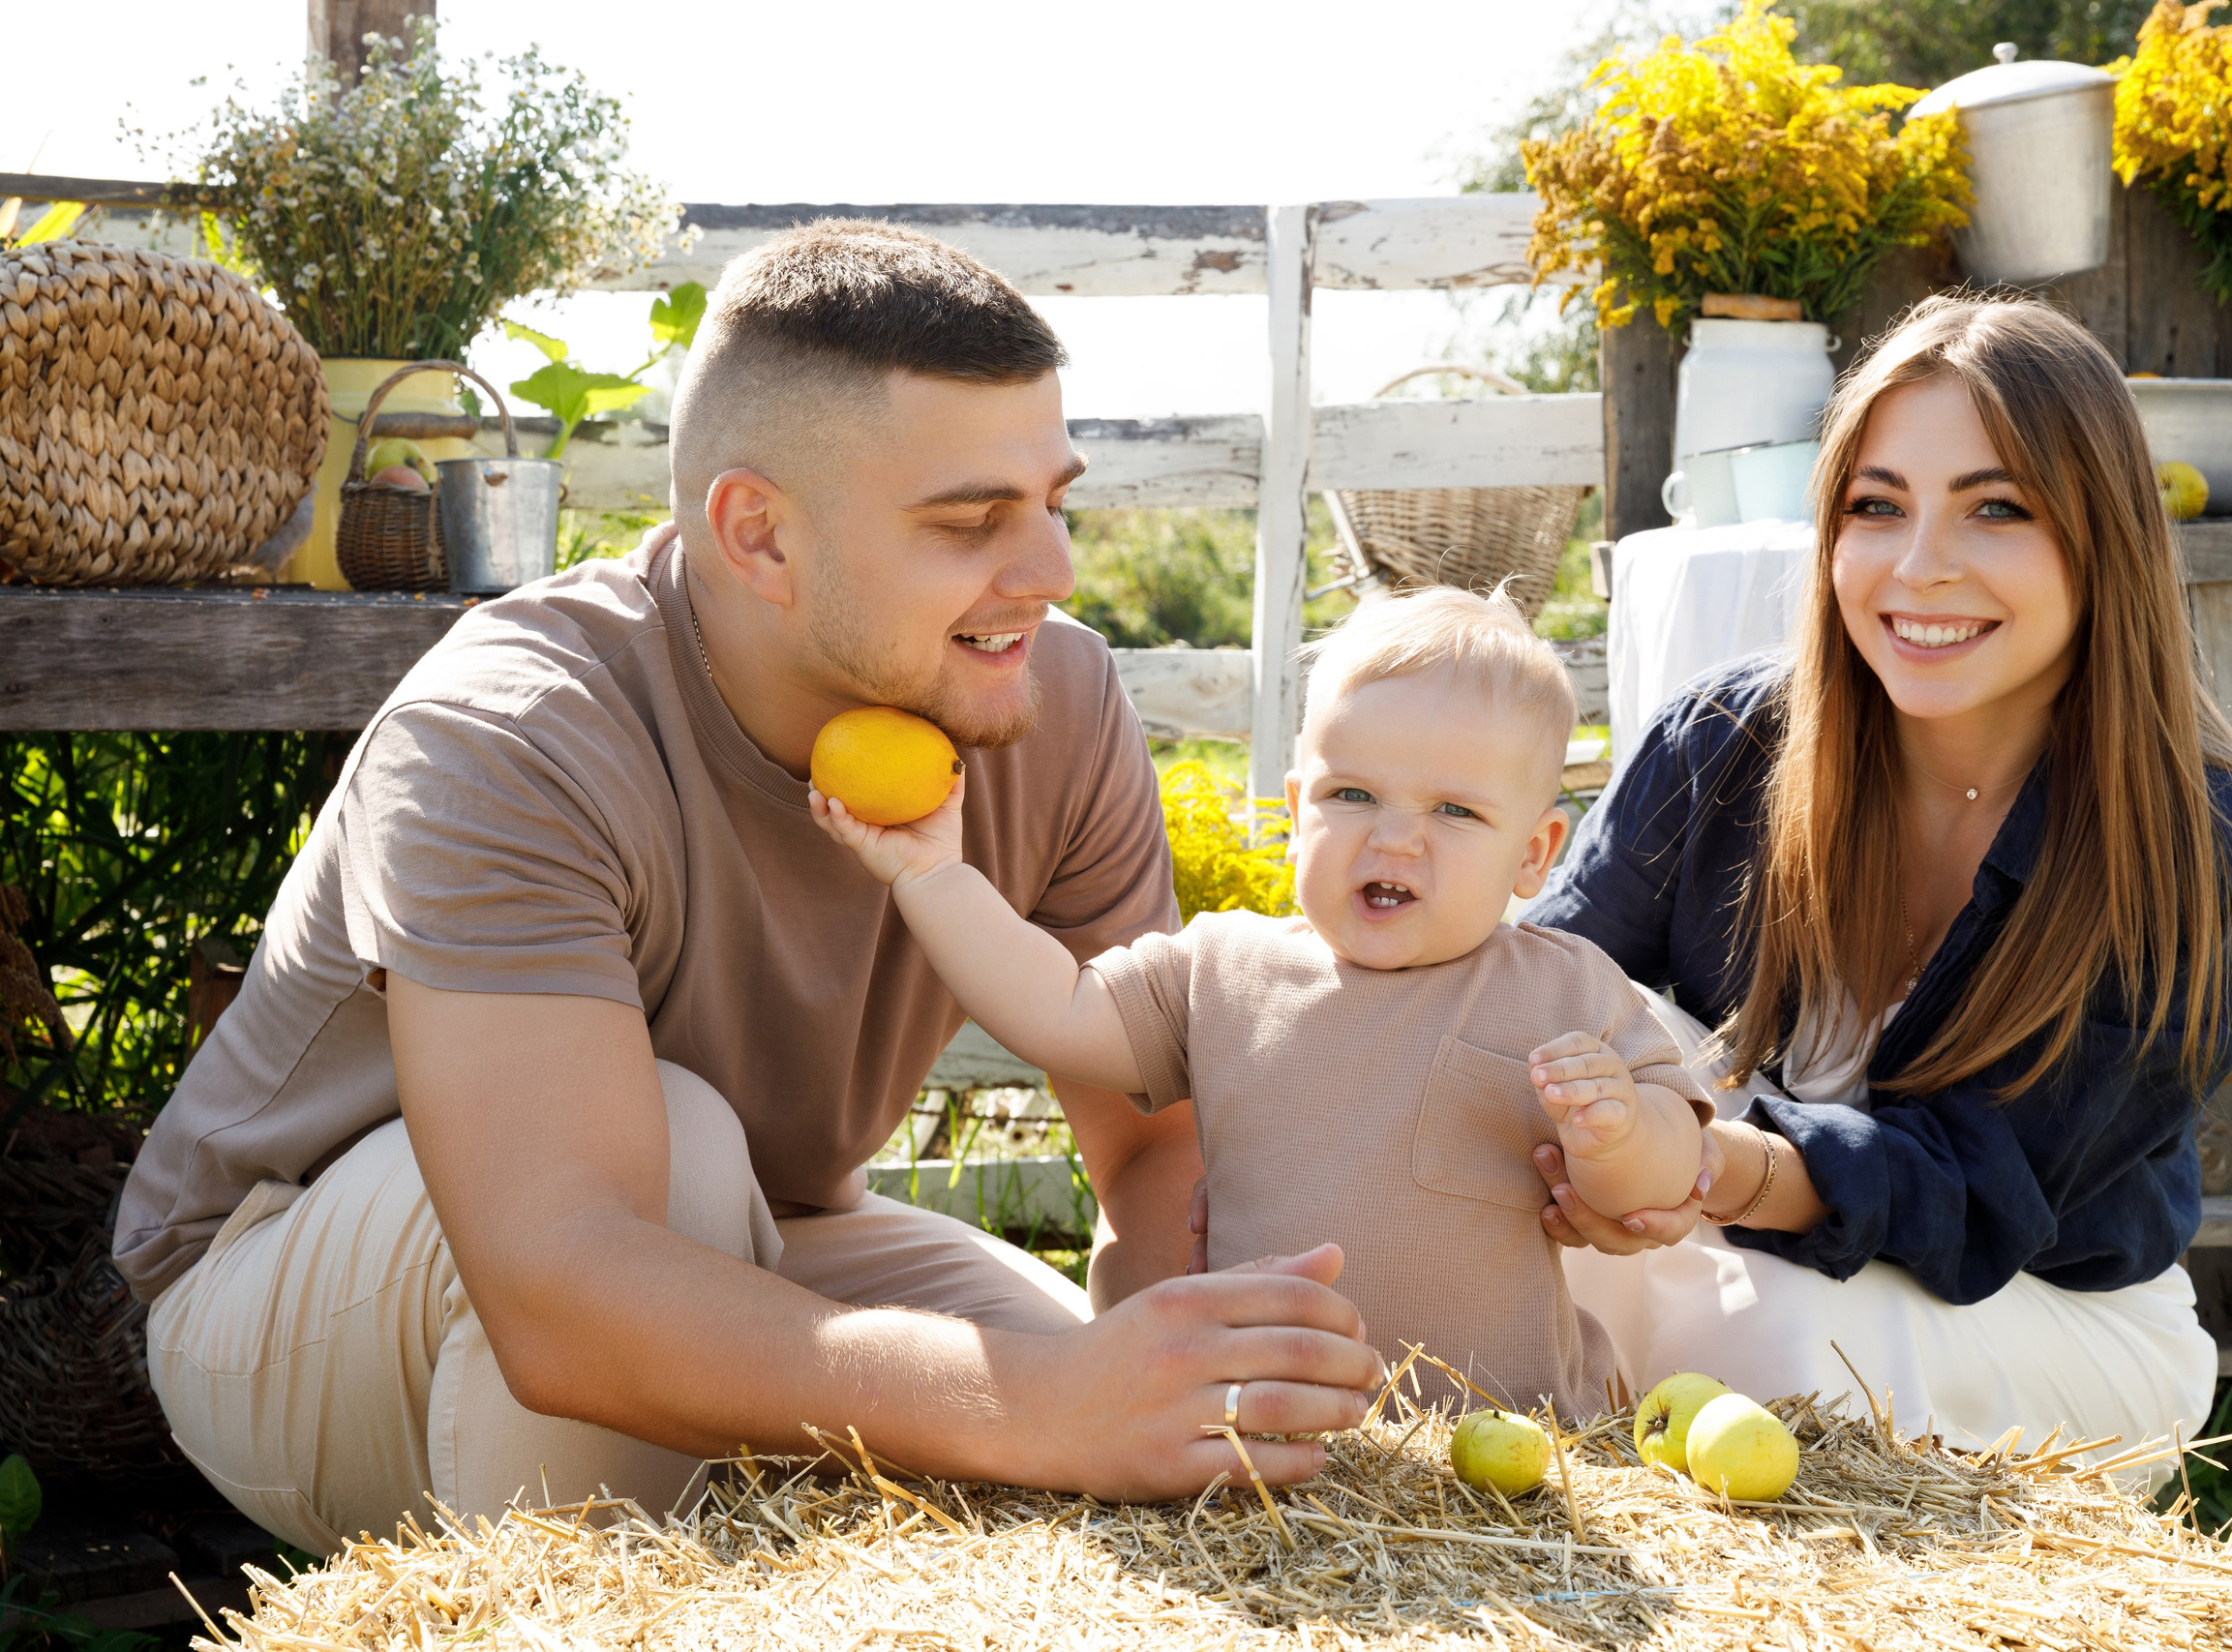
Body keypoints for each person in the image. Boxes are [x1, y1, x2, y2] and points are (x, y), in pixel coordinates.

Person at [111, 220, 1384, 1553]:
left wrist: (1174, 1348)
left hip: (773, 1235)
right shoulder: (510, 730)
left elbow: (1151, 1131)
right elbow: (562, 1290)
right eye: (972, 521)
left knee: (1145, 1397)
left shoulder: (1047, 696)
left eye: (1052, 501)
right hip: (299, 1277)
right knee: (698, 1155)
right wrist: (1047, 1408)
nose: (1053, 573)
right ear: (759, 535)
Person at [1524, 294, 2232, 1456]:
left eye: (1996, 510)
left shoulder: (2188, 842)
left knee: (1774, 1340)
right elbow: (1541, 984)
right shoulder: (1728, 741)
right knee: (1551, 1026)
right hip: (1715, 1226)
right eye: (1876, 507)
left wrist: (1701, 1170)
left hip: (2033, 1311)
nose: (1920, 568)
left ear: (2104, 539)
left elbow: (1976, 1196)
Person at [815, 586, 1709, 1418]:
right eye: (1352, 794)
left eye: (1454, 812)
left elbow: (1669, 1174)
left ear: (1534, 851)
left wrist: (1622, 1134)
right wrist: (935, 877)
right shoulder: (1225, 970)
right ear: (1295, 810)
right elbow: (1058, 1010)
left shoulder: (1561, 984)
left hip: (1507, 1446)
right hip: (1271, 1435)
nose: (1395, 837)